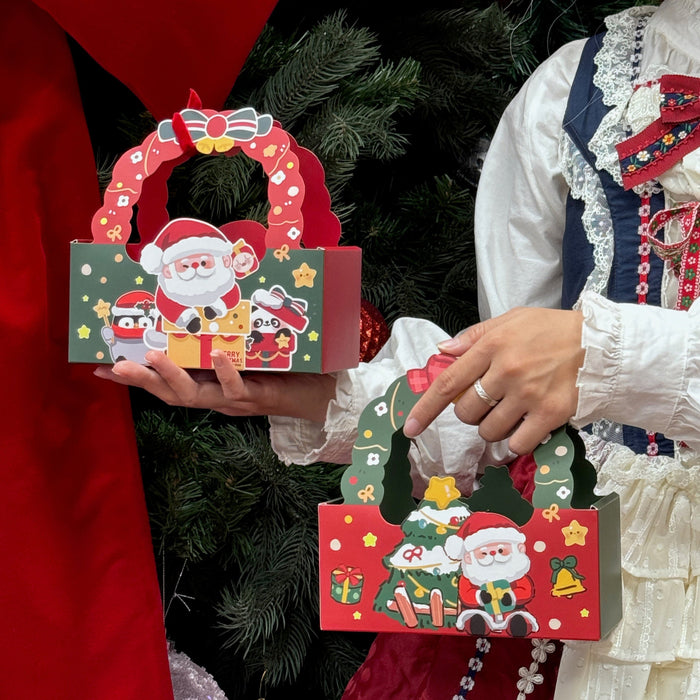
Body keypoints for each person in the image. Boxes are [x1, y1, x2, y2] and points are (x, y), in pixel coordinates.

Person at [96, 0, 700, 696]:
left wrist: (605, 354)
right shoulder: (573, 91)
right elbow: (502, 416)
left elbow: (576, 362)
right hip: (588, 603)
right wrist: (335, 397)